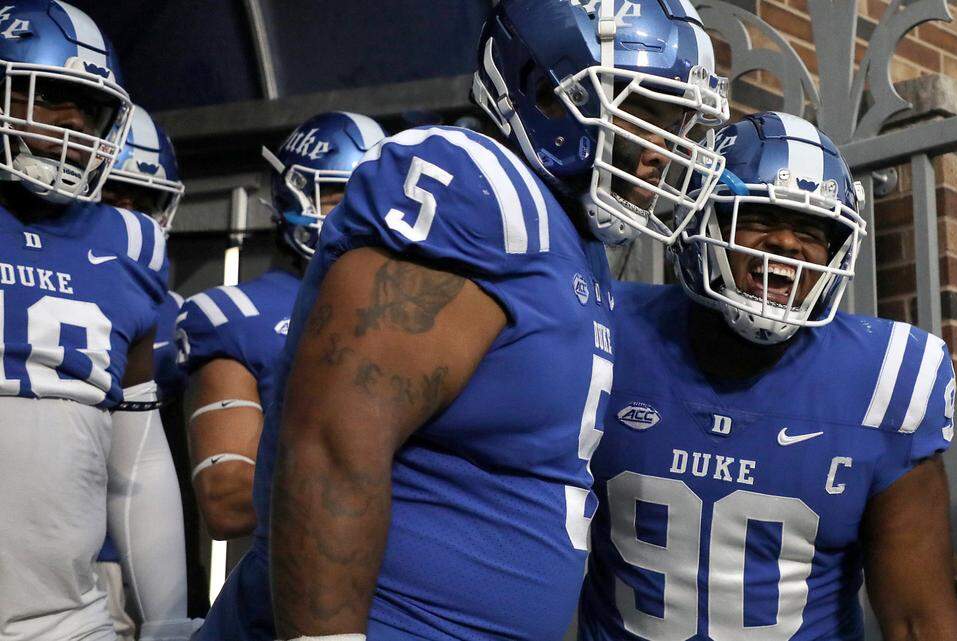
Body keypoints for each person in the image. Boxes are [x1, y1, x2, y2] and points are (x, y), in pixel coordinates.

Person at [195, 1, 728, 640]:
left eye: (681, 125)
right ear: (542, 92)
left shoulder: (568, 235)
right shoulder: (477, 188)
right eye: (647, 115)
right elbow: (335, 441)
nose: (662, 152)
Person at [578, 112, 957, 641]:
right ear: (700, 222)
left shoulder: (887, 379)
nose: (787, 244)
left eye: (811, 230)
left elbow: (918, 619)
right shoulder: (606, 329)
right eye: (759, 218)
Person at [0, 2, 193, 641]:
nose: (72, 122)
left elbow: (135, 463)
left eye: (88, 108)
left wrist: (164, 622)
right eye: (50, 95)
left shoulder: (132, 245)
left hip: (66, 620)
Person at [177, 111, 385, 541]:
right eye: (339, 195)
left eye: (374, 197)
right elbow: (225, 498)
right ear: (294, 197)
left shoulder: (420, 306)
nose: (362, 213)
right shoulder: (238, 316)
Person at [96, 104, 189, 641]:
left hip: (120, 558)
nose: (128, 218)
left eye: (143, 202)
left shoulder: (173, 316)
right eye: (113, 196)